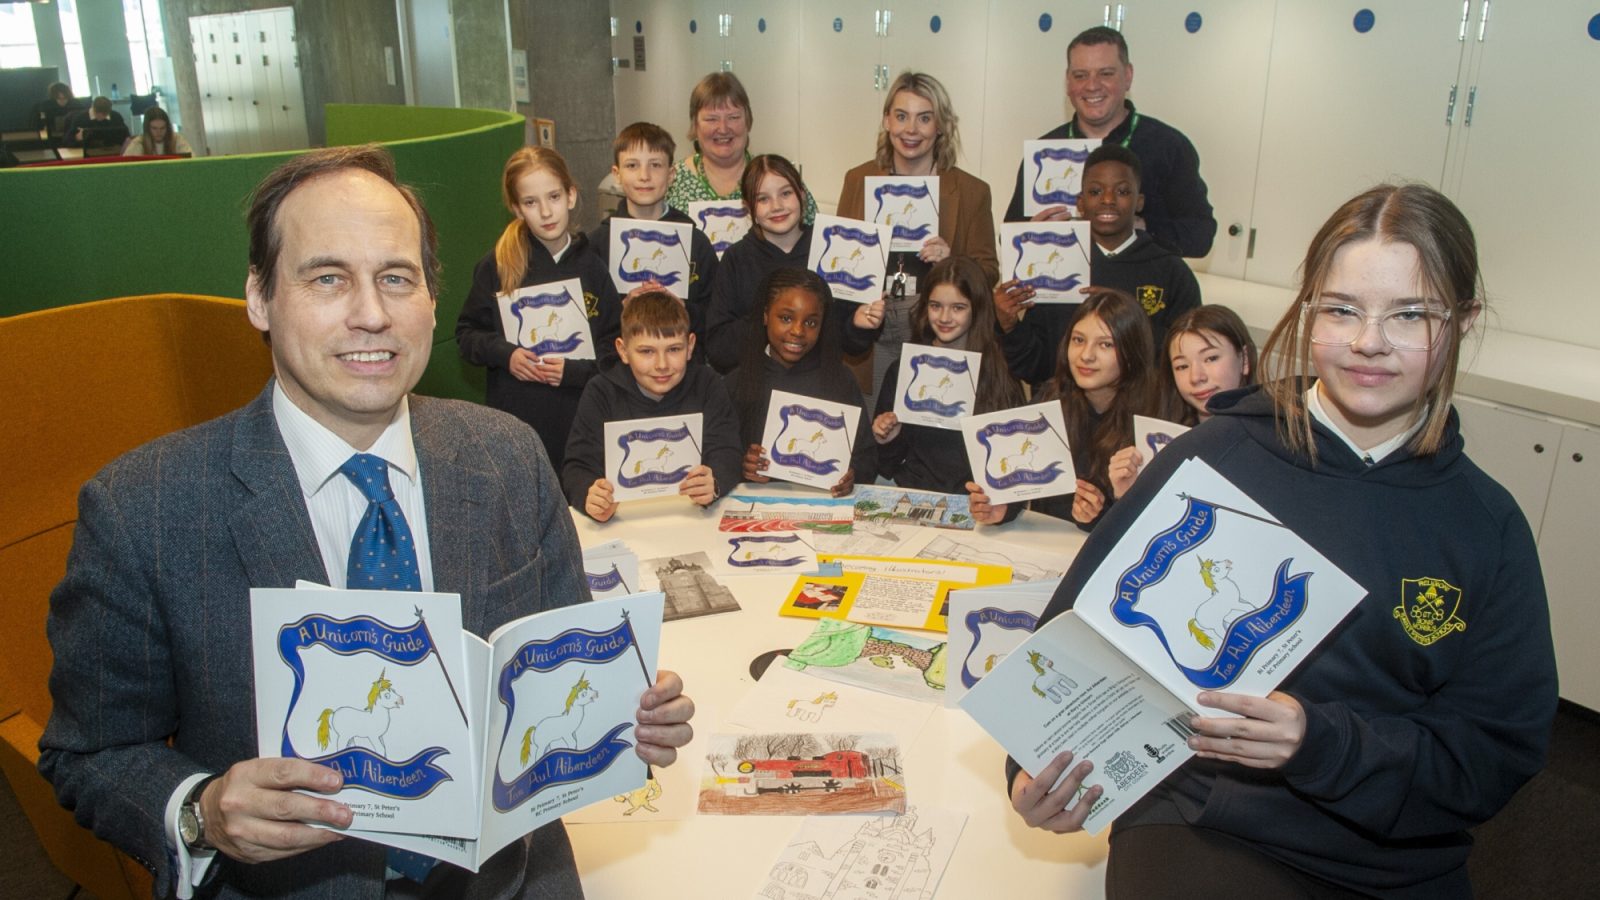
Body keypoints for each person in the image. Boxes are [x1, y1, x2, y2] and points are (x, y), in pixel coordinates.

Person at [38, 145, 696, 899]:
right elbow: (89, 754)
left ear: (431, 299)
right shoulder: (144, 509)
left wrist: (630, 712)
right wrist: (201, 813)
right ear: (259, 297)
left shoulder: (509, 456)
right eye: (327, 278)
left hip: (513, 879)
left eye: (396, 278)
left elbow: (560, 672)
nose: (372, 314)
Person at [1008, 184, 1557, 899]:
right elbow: (1071, 633)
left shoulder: (1486, 525)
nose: (1368, 341)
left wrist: (1321, 743)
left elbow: (1493, 751)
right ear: (1306, 311)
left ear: (1463, 322)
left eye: (1411, 315)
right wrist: (1031, 765)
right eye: (1341, 310)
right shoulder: (1213, 458)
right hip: (1203, 819)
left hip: (1394, 857)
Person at [456, 146, 622, 471]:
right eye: (531, 202)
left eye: (554, 197)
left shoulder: (594, 267)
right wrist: (507, 355)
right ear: (517, 208)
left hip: (580, 424)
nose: (546, 212)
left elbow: (615, 350)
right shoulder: (498, 265)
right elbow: (467, 336)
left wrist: (573, 372)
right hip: (517, 426)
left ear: (571, 196)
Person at [835, 71, 1000, 398]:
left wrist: (952, 262)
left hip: (936, 329)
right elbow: (840, 263)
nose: (911, 129)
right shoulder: (858, 180)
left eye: (924, 118)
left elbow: (988, 272)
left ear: (941, 126)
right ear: (887, 121)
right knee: (875, 420)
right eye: (901, 116)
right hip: (873, 331)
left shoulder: (971, 192)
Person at [997, 143, 1202, 388]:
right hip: (1064, 403)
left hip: (1139, 404)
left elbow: (1185, 359)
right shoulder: (1058, 265)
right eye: (1095, 191)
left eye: (1122, 191)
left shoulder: (1172, 272)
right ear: (1080, 203)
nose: (1107, 200)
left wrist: (1127, 317)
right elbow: (1035, 367)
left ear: (1139, 202)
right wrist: (1009, 326)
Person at [1004, 26, 1216, 259]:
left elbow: (1201, 235)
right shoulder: (1044, 153)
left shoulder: (1168, 147)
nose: (1092, 85)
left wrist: (1141, 227)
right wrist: (1031, 235)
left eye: (1105, 73)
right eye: (1080, 75)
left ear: (1128, 76)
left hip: (1141, 281)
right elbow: (1009, 238)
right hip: (1066, 282)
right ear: (1068, 82)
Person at [968, 289, 1158, 530]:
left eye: (1105, 344)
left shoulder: (1152, 422)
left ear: (1132, 352)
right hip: (1045, 541)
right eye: (1078, 340)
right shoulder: (1051, 398)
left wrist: (1099, 516)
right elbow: (1023, 485)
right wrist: (1001, 509)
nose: (1086, 355)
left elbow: (1152, 524)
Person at [562, 290, 743, 521]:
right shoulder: (600, 392)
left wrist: (715, 482)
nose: (662, 364)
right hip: (623, 520)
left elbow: (727, 451)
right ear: (623, 351)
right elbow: (577, 466)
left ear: (690, 346)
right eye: (647, 351)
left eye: (674, 349)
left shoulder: (707, 384)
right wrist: (590, 496)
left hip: (692, 517)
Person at [702, 154, 883, 373]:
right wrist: (769, 317)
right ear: (748, 207)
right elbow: (718, 349)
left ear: (802, 195)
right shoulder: (736, 259)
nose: (777, 206)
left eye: (786, 193)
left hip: (819, 381)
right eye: (763, 199)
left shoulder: (830, 249)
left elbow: (850, 344)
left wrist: (858, 325)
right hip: (756, 383)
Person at [872, 256, 1023, 495]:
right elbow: (885, 464)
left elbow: (1012, 465)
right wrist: (887, 438)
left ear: (978, 308)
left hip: (976, 501)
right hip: (911, 493)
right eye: (935, 306)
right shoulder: (904, 370)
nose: (944, 318)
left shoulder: (999, 374)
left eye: (958, 308)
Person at [727, 267, 874, 497]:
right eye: (786, 318)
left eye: (811, 323)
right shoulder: (737, 382)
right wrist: (742, 466)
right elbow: (717, 456)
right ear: (765, 315)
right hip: (757, 505)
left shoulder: (840, 381)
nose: (798, 331)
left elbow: (867, 457)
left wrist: (852, 476)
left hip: (824, 505)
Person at [587, 122, 719, 356]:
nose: (644, 176)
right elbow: (590, 323)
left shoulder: (696, 243)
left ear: (671, 175)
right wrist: (621, 309)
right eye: (632, 165)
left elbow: (716, 316)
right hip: (618, 370)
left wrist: (683, 309)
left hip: (684, 369)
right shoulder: (596, 245)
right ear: (617, 174)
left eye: (655, 165)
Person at [1105, 304, 1259, 499]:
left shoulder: (1269, 442)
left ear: (1244, 360)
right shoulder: (1158, 439)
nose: (1196, 377)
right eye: (1182, 366)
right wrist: (1129, 495)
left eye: (1211, 358)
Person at [664, 71, 818, 224]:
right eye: (711, 119)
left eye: (733, 117)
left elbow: (813, 233)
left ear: (748, 121)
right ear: (695, 125)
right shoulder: (670, 180)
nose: (723, 128)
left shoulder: (781, 178)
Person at [61, 96, 130, 150]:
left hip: (112, 151)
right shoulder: (80, 118)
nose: (101, 117)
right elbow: (66, 142)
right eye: (97, 114)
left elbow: (126, 137)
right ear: (93, 108)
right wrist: (76, 138)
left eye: (104, 114)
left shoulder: (115, 116)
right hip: (87, 153)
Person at [122, 106, 193, 157]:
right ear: (147, 128)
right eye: (154, 128)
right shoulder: (139, 143)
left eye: (162, 128)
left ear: (167, 128)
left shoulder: (177, 139)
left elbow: (191, 159)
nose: (159, 132)